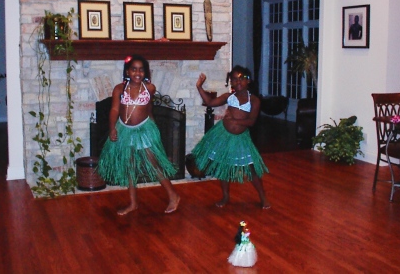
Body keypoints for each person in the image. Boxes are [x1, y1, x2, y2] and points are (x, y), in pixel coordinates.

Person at [98, 55, 180, 215]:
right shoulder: (119, 89)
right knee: (129, 166)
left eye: (141, 70)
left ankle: (173, 195)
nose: (137, 73)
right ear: (127, 71)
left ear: (146, 72)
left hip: (144, 129)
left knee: (153, 163)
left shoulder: (149, 88)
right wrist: (112, 128)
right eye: (133, 69)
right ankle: (133, 203)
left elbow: (149, 109)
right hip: (124, 130)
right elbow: (114, 110)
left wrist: (154, 129)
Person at [192, 65, 271, 209]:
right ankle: (225, 196)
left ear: (249, 81)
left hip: (241, 138)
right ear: (231, 83)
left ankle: (263, 197)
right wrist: (199, 86)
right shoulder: (229, 97)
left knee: (251, 168)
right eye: (234, 79)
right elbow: (210, 102)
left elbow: (251, 121)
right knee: (224, 165)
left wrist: (235, 121)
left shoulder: (254, 100)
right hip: (223, 135)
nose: (238, 82)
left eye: (242, 78)